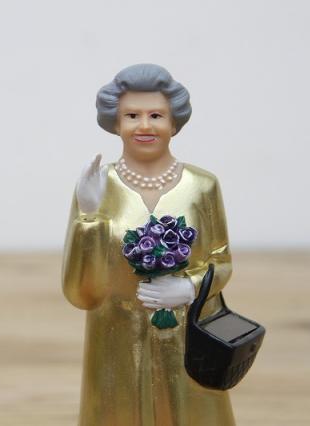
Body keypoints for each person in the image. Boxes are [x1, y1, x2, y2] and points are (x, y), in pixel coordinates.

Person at [62, 64, 235, 425]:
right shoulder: (96, 185)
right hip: (117, 339)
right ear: (116, 122)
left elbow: (221, 261)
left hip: (188, 338)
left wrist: (189, 288)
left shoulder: (203, 186)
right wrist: (89, 217)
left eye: (156, 115)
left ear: (174, 123)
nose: (144, 126)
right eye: (132, 115)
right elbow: (81, 294)